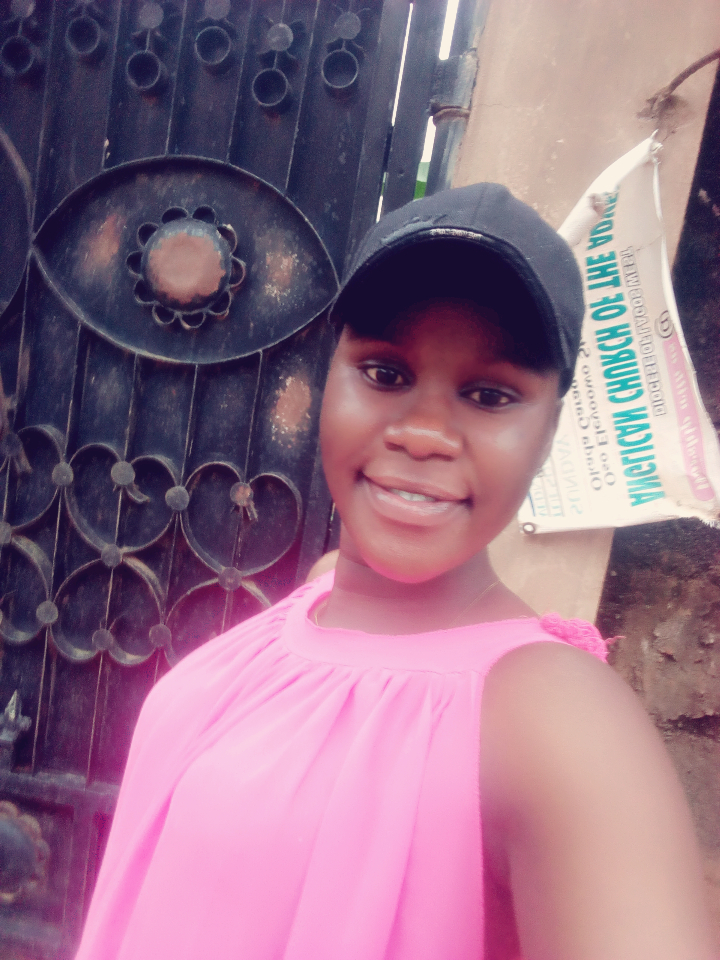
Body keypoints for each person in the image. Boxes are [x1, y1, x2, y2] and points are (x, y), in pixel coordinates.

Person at [76, 184, 715, 960]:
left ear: (549, 432)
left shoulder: (558, 719)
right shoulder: (319, 596)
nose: (422, 433)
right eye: (384, 372)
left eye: (490, 395)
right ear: (331, 380)